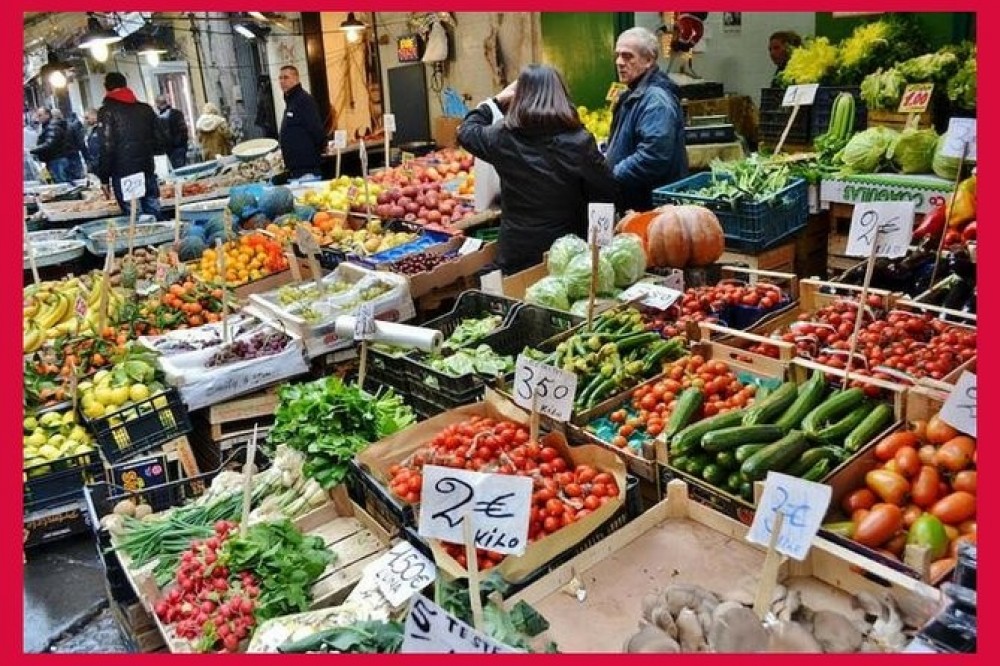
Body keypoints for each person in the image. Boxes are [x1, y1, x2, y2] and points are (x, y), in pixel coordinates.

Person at [457, 64, 617, 275]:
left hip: (515, 252)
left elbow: (466, 131)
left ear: (519, 96)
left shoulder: (502, 137)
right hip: (565, 254)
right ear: (561, 95)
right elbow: (606, 192)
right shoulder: (579, 142)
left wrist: (495, 101)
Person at [605, 27, 688, 213]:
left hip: (651, 209)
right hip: (636, 204)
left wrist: (613, 174)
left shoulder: (656, 100)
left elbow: (653, 156)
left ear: (649, 60)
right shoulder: (633, 93)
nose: (619, 62)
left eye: (628, 56)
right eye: (617, 55)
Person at [97, 71, 167, 218]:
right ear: (125, 85)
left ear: (106, 88)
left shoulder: (107, 112)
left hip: (124, 175)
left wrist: (104, 178)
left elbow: (106, 146)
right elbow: (161, 140)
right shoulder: (145, 109)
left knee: (135, 222)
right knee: (156, 215)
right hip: (147, 171)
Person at [277, 65, 325, 180]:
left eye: (286, 77)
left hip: (307, 170)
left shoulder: (304, 100)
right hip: (295, 170)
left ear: (296, 79)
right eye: (280, 78)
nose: (282, 81)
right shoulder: (290, 102)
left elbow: (317, 130)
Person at [29, 107, 73, 183]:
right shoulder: (48, 126)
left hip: (56, 160)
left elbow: (50, 144)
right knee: (61, 183)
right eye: (37, 116)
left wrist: (33, 150)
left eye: (40, 115)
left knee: (62, 185)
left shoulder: (52, 126)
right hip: (55, 160)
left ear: (47, 115)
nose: (38, 118)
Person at [155, 94, 190, 168]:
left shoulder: (157, 119)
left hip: (169, 150)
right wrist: (182, 143)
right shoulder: (177, 113)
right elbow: (184, 130)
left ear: (158, 105)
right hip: (180, 147)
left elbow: (159, 137)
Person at [54, 109, 86, 181]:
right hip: (74, 156)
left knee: (64, 183)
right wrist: (87, 158)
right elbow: (80, 143)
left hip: (60, 159)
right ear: (61, 115)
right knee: (79, 181)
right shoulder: (71, 126)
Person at [82, 108, 102, 174]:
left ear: (94, 116)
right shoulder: (92, 130)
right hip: (96, 165)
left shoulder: (102, 128)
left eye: (87, 118)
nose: (86, 120)